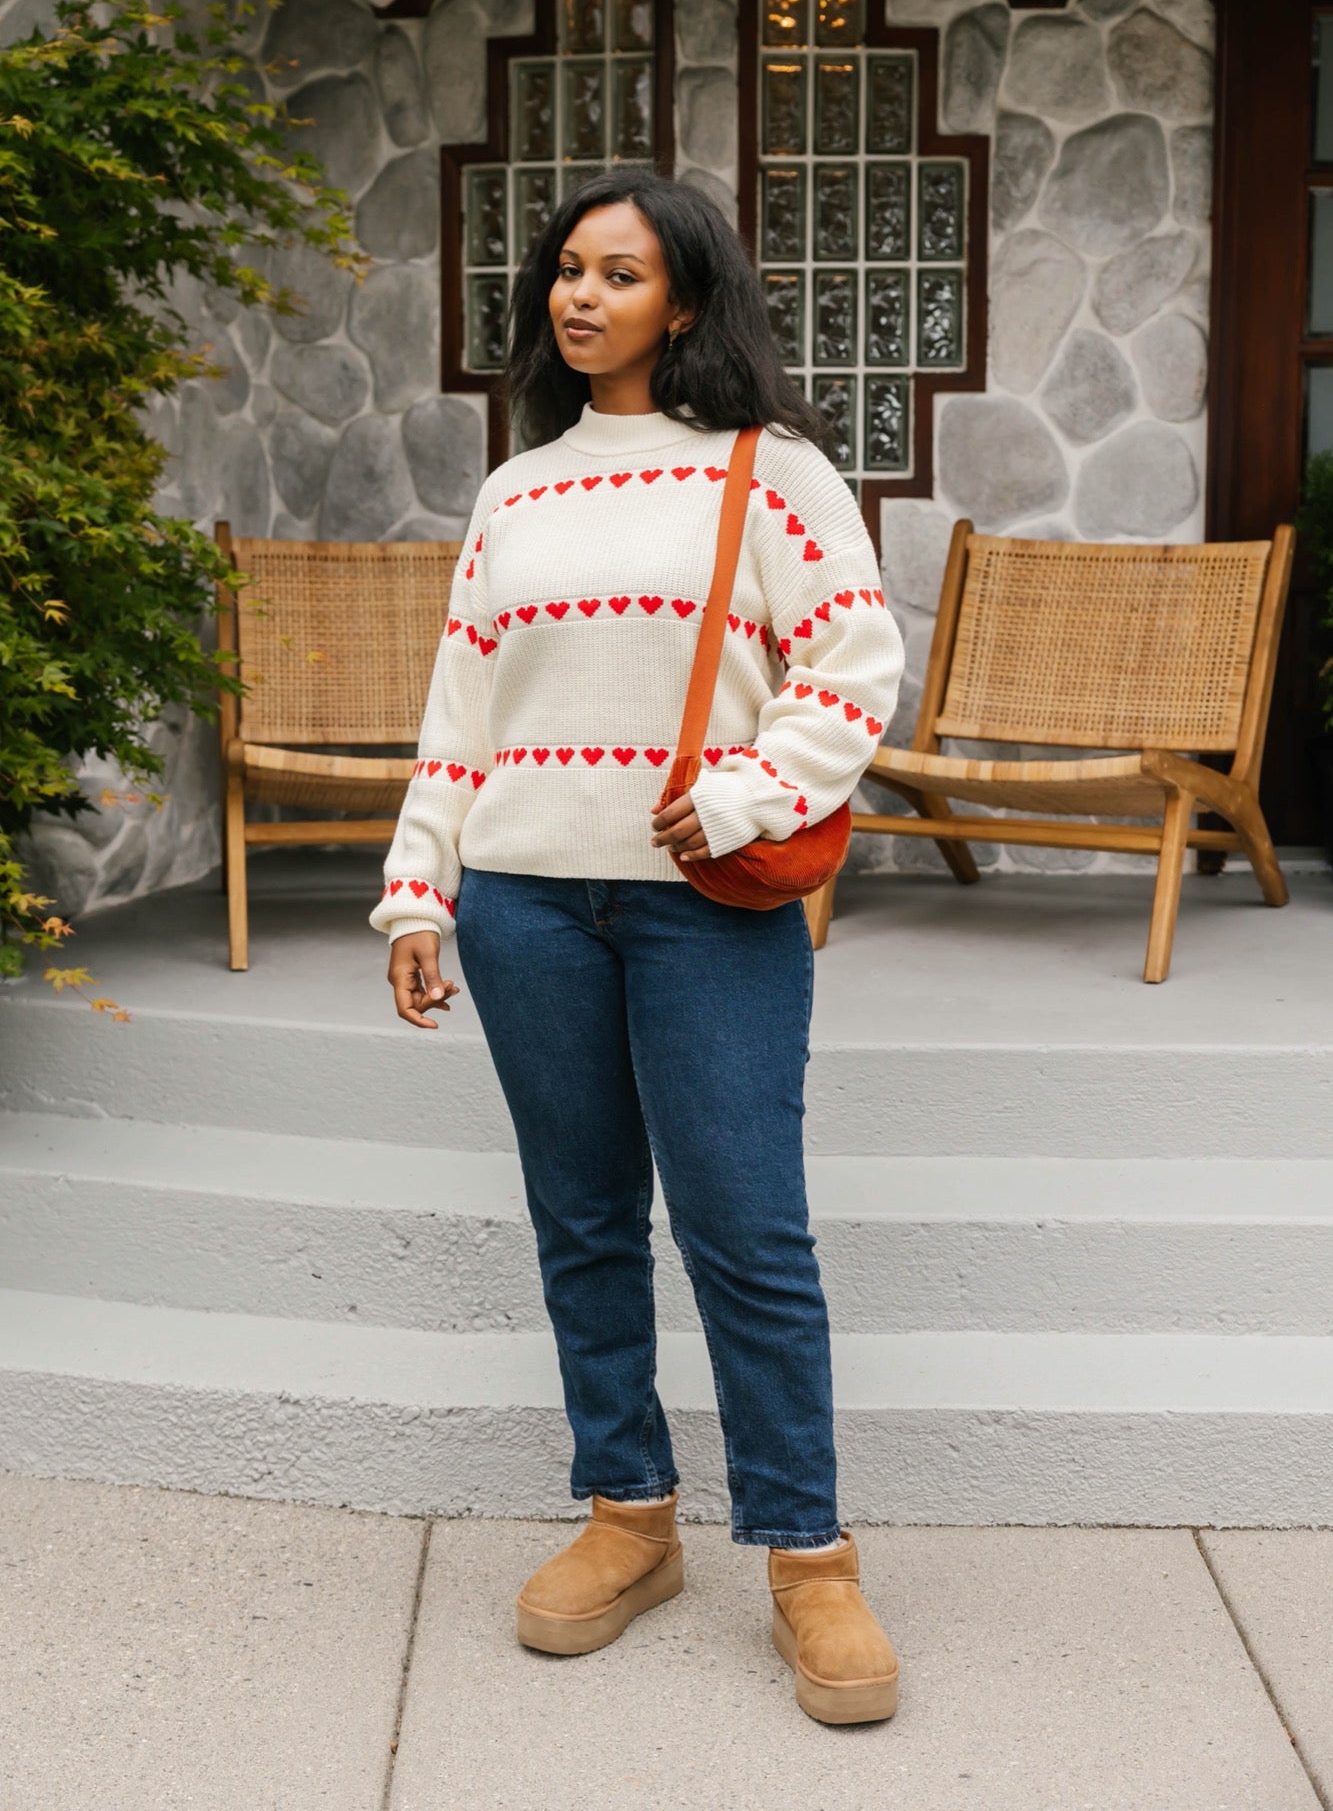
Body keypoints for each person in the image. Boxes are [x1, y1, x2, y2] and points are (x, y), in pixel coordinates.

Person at [370, 168, 906, 1726]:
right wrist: (421, 890)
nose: (579, 295)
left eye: (619, 273)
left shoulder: (771, 468)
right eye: (565, 270)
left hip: (703, 913)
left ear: (685, 298)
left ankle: (807, 1558)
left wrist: (746, 794)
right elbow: (459, 708)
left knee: (744, 1230)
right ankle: (627, 1516)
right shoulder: (516, 489)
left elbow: (852, 661)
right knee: (584, 1221)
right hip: (524, 902)